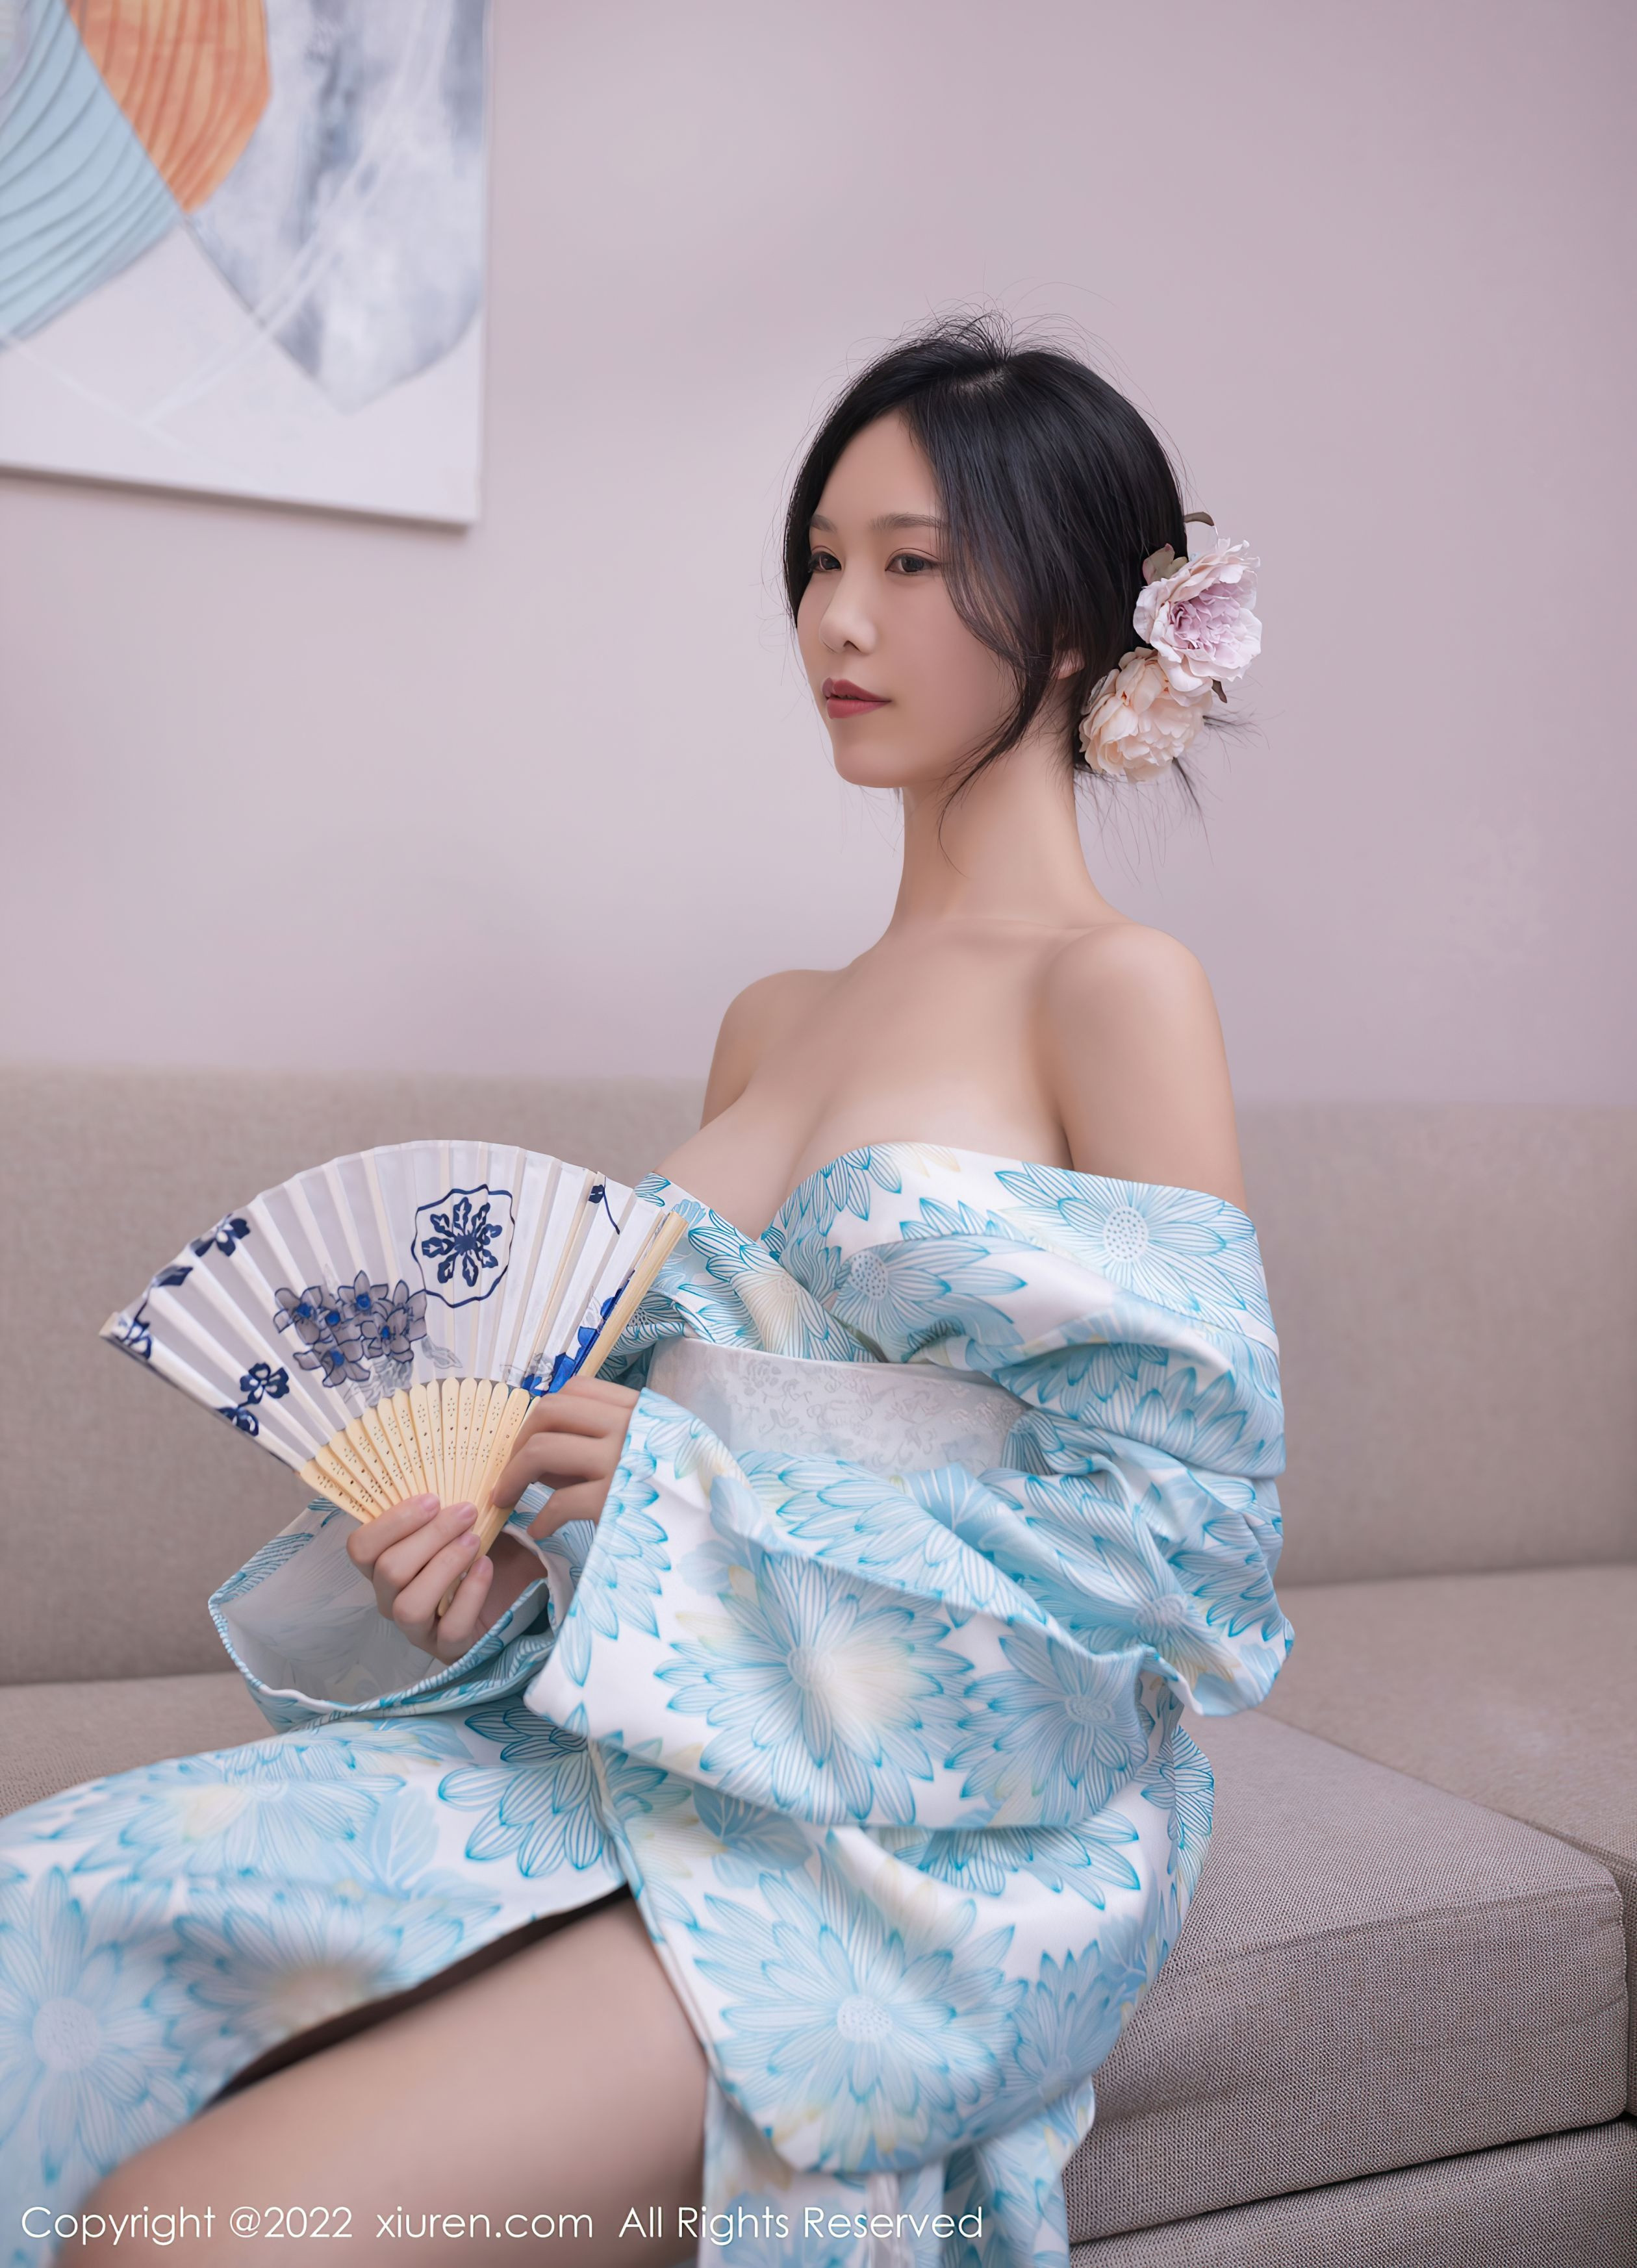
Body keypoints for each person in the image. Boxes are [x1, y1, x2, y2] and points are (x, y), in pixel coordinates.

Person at [3, 316, 1290, 2268]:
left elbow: (1173, 1557)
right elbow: (653, 1494)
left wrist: (682, 1508)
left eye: (912, 562)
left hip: (941, 1831)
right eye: (818, 557)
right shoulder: (769, 1021)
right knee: (38, 1925)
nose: (836, 618)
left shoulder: (1118, 990)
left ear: (1071, 625)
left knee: (181, 2234)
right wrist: (522, 1568)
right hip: (666, 1741)